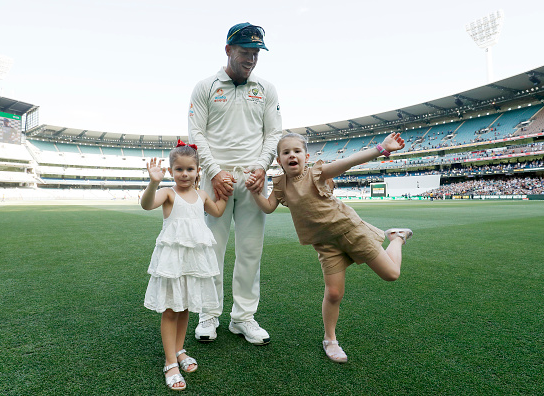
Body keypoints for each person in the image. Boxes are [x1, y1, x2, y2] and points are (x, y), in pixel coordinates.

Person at [246, 132, 413, 363]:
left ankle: (396, 238)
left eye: (296, 151)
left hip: (350, 231)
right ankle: (330, 340)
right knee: (333, 293)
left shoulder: (317, 173)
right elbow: (267, 208)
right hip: (325, 244)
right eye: (286, 152)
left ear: (306, 156)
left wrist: (381, 148)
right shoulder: (280, 185)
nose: (291, 155)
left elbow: (349, 161)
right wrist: (256, 192)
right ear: (278, 160)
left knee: (392, 274)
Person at [188, 22, 282, 345]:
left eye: (256, 53)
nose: (252, 59)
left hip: (254, 181)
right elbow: (196, 134)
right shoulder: (205, 87)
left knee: (250, 250)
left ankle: (243, 318)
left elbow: (274, 134)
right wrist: (213, 171)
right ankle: (208, 315)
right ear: (228, 50)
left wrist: (261, 167)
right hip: (219, 180)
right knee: (212, 249)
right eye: (245, 52)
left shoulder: (266, 89)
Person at [140, 142, 228, 391]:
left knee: (186, 306)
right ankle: (170, 362)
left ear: (198, 170)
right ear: (171, 170)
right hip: (172, 262)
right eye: (179, 169)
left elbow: (219, 212)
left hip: (193, 262)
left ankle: (179, 350)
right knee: (170, 310)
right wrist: (154, 182)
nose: (185, 174)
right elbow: (147, 204)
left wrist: (226, 195)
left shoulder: (201, 196)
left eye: (190, 169)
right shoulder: (168, 193)